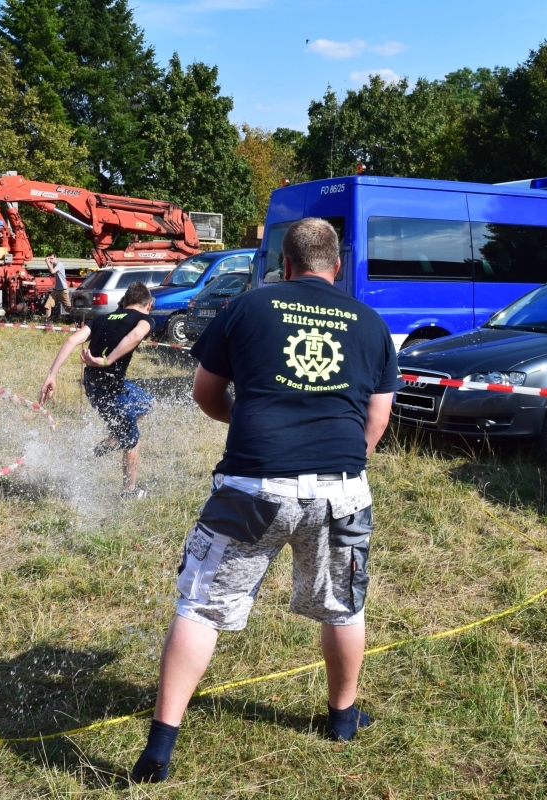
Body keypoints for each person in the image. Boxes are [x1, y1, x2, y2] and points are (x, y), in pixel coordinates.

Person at [130, 217, 399, 783]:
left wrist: (251, 426)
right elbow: (378, 417)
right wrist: (347, 458)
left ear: (285, 265)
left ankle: (159, 748)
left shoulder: (247, 307)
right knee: (344, 605)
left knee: (201, 606)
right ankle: (343, 719)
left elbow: (206, 392)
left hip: (253, 484)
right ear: (337, 266)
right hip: (340, 490)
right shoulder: (371, 323)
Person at [40, 281, 156, 498]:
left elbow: (72, 340)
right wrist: (107, 360)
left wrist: (51, 375)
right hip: (112, 391)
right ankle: (129, 492)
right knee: (133, 441)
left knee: (148, 403)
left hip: (94, 387)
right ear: (148, 305)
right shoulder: (144, 319)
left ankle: (114, 438)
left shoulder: (103, 318)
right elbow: (136, 335)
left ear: (125, 302)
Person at [43, 253, 73, 322]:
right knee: (48, 305)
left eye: (51, 258)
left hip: (63, 290)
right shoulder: (54, 265)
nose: (50, 260)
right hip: (56, 290)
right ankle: (47, 322)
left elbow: (52, 271)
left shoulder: (59, 264)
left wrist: (47, 263)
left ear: (55, 257)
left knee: (68, 308)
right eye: (49, 259)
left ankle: (78, 321)